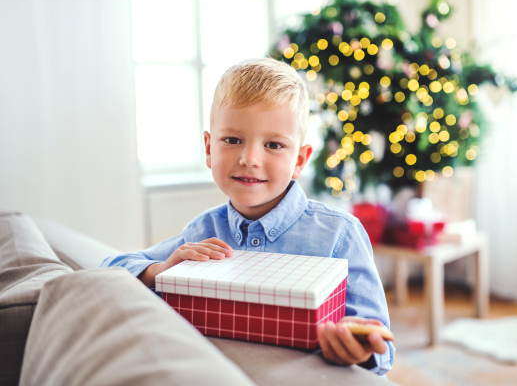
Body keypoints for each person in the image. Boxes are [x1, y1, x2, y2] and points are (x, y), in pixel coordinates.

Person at [101, 58, 394, 375]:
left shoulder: (340, 234)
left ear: (299, 160)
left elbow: (381, 348)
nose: (249, 158)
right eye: (232, 140)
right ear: (209, 148)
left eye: (273, 144)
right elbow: (111, 268)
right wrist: (160, 270)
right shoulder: (202, 232)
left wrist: (358, 349)